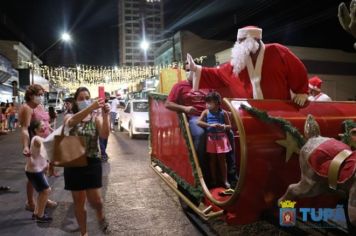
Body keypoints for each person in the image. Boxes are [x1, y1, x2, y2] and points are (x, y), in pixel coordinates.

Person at [187, 26, 309, 106]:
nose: (238, 45)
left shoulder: (278, 51)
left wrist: (301, 92)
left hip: (280, 111)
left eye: (241, 41)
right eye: (238, 41)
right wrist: (196, 69)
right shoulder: (240, 60)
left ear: (253, 41)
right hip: (249, 115)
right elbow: (217, 74)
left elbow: (297, 70)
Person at [64, 87, 110, 236]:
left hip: (92, 162)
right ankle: (84, 233)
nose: (84, 100)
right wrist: (91, 107)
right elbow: (71, 123)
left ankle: (100, 214)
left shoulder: (95, 118)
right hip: (74, 160)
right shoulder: (69, 116)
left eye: (87, 98)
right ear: (75, 101)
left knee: (96, 201)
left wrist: (105, 114)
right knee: (78, 201)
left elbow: (104, 135)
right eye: (81, 98)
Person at [18, 84, 57, 212]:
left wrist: (52, 131)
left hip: (44, 142)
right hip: (35, 144)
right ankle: (30, 202)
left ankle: (43, 197)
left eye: (42, 94)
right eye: (39, 94)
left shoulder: (39, 106)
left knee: (43, 169)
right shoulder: (27, 108)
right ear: (30, 95)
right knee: (34, 173)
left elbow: (44, 122)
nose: (41, 97)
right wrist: (25, 146)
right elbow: (24, 128)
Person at [197, 92, 232, 189]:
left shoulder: (223, 113)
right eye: (206, 102)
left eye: (209, 102)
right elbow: (198, 122)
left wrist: (223, 126)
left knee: (222, 160)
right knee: (212, 160)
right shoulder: (205, 112)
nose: (207, 104)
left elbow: (229, 126)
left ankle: (225, 180)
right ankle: (213, 180)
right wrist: (209, 125)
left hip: (221, 139)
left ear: (217, 102)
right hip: (211, 138)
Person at [25, 120, 53, 222]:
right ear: (35, 130)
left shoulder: (38, 138)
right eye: (41, 126)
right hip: (34, 171)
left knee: (43, 192)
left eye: (44, 125)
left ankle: (37, 213)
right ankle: (40, 216)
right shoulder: (37, 139)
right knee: (46, 191)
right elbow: (46, 145)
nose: (44, 127)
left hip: (34, 170)